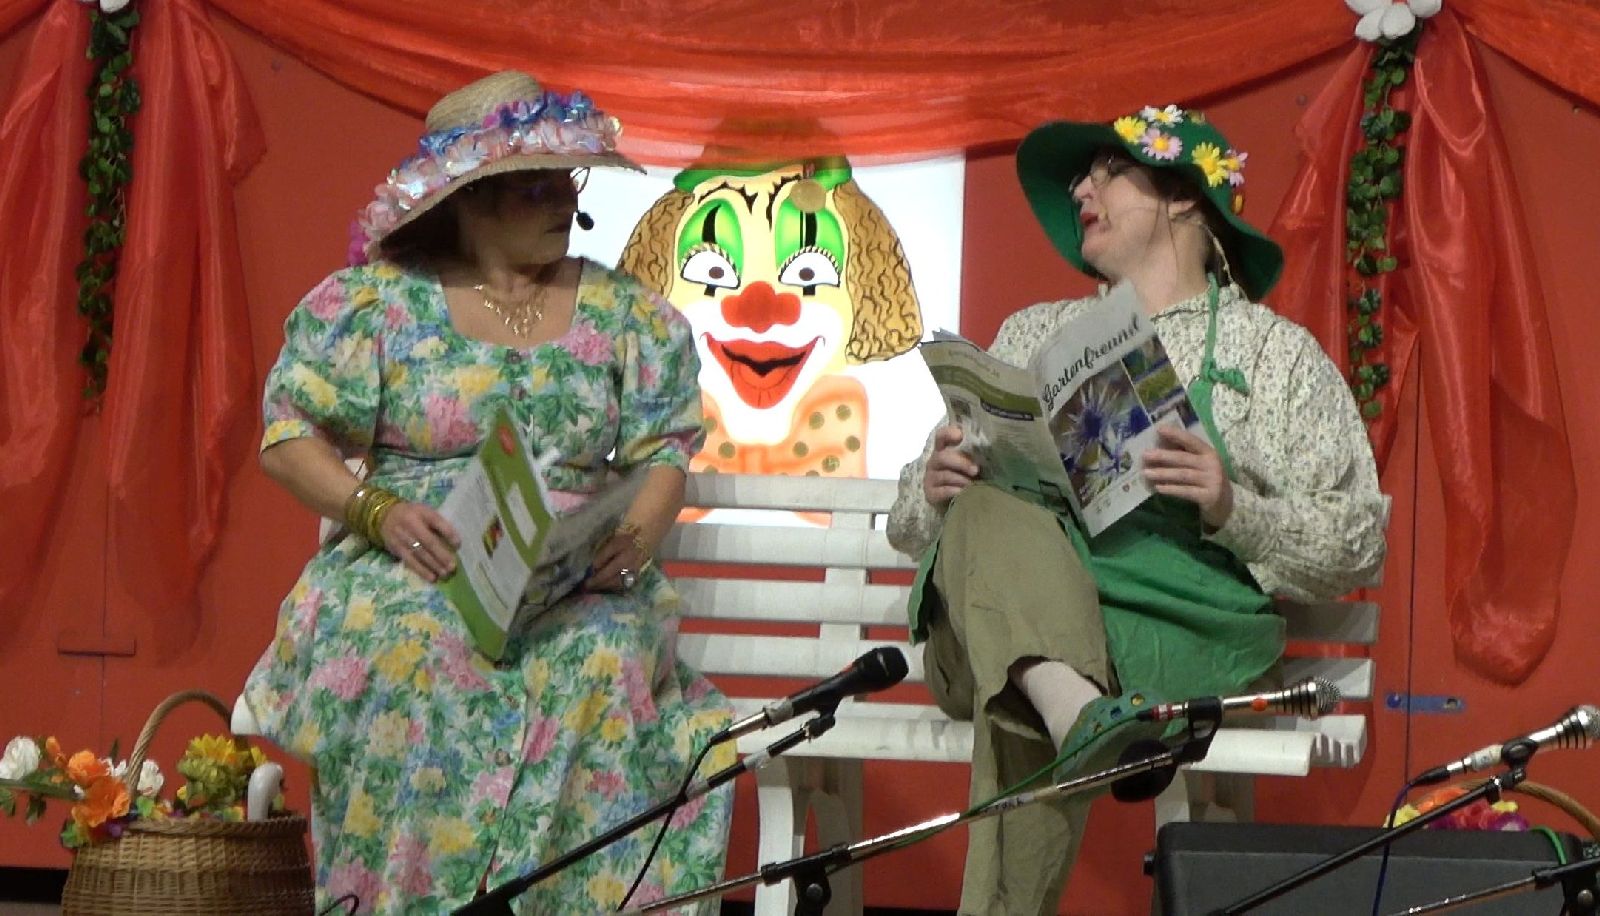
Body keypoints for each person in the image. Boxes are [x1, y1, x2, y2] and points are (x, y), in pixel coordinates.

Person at [240, 71, 733, 915]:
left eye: (566, 181)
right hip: (418, 564)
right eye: (535, 186)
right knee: (415, 651)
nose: (563, 200)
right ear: (468, 200)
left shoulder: (624, 313)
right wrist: (374, 511)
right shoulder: (379, 303)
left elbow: (664, 449)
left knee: (600, 661)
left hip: (569, 581)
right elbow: (288, 436)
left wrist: (636, 537)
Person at [886, 105, 1389, 915]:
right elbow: (906, 526)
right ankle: (1075, 705)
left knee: (1022, 679)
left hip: (1175, 636)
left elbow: (1357, 543)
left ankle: (1066, 701)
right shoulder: (1034, 332)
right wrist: (933, 485)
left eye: (1110, 172)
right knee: (982, 518)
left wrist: (1232, 508)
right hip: (1013, 613)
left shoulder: (1273, 354)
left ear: (1184, 196)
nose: (1081, 191)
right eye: (1082, 179)